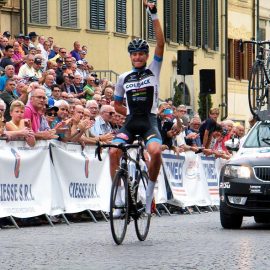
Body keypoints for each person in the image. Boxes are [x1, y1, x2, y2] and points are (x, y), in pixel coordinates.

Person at [110, 0, 165, 215]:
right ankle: (119, 197)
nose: (138, 57)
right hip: (131, 123)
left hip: (149, 122)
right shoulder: (123, 77)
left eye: (141, 53)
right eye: (134, 54)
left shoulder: (154, 69)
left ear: (146, 55)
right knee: (113, 151)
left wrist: (153, 14)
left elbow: (161, 43)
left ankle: (150, 193)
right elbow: (115, 103)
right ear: (130, 57)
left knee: (156, 152)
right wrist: (129, 113)